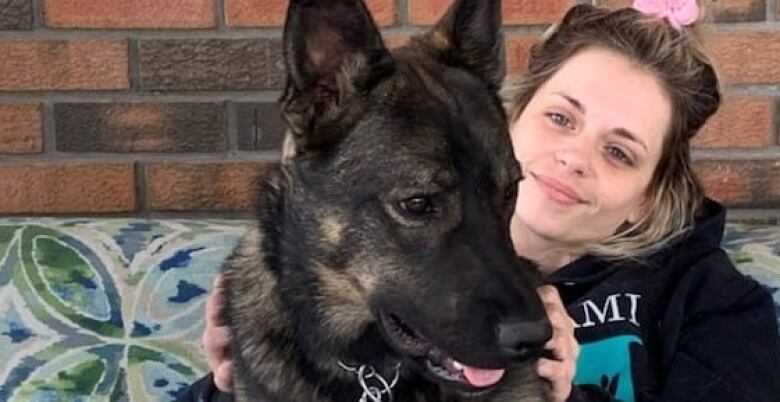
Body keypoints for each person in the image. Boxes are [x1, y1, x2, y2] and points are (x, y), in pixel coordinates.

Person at [181, 1, 780, 401]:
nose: (574, 157)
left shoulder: (716, 307)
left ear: (649, 199)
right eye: (560, 117)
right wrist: (227, 386)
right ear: (507, 120)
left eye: (620, 152)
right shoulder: (323, 286)